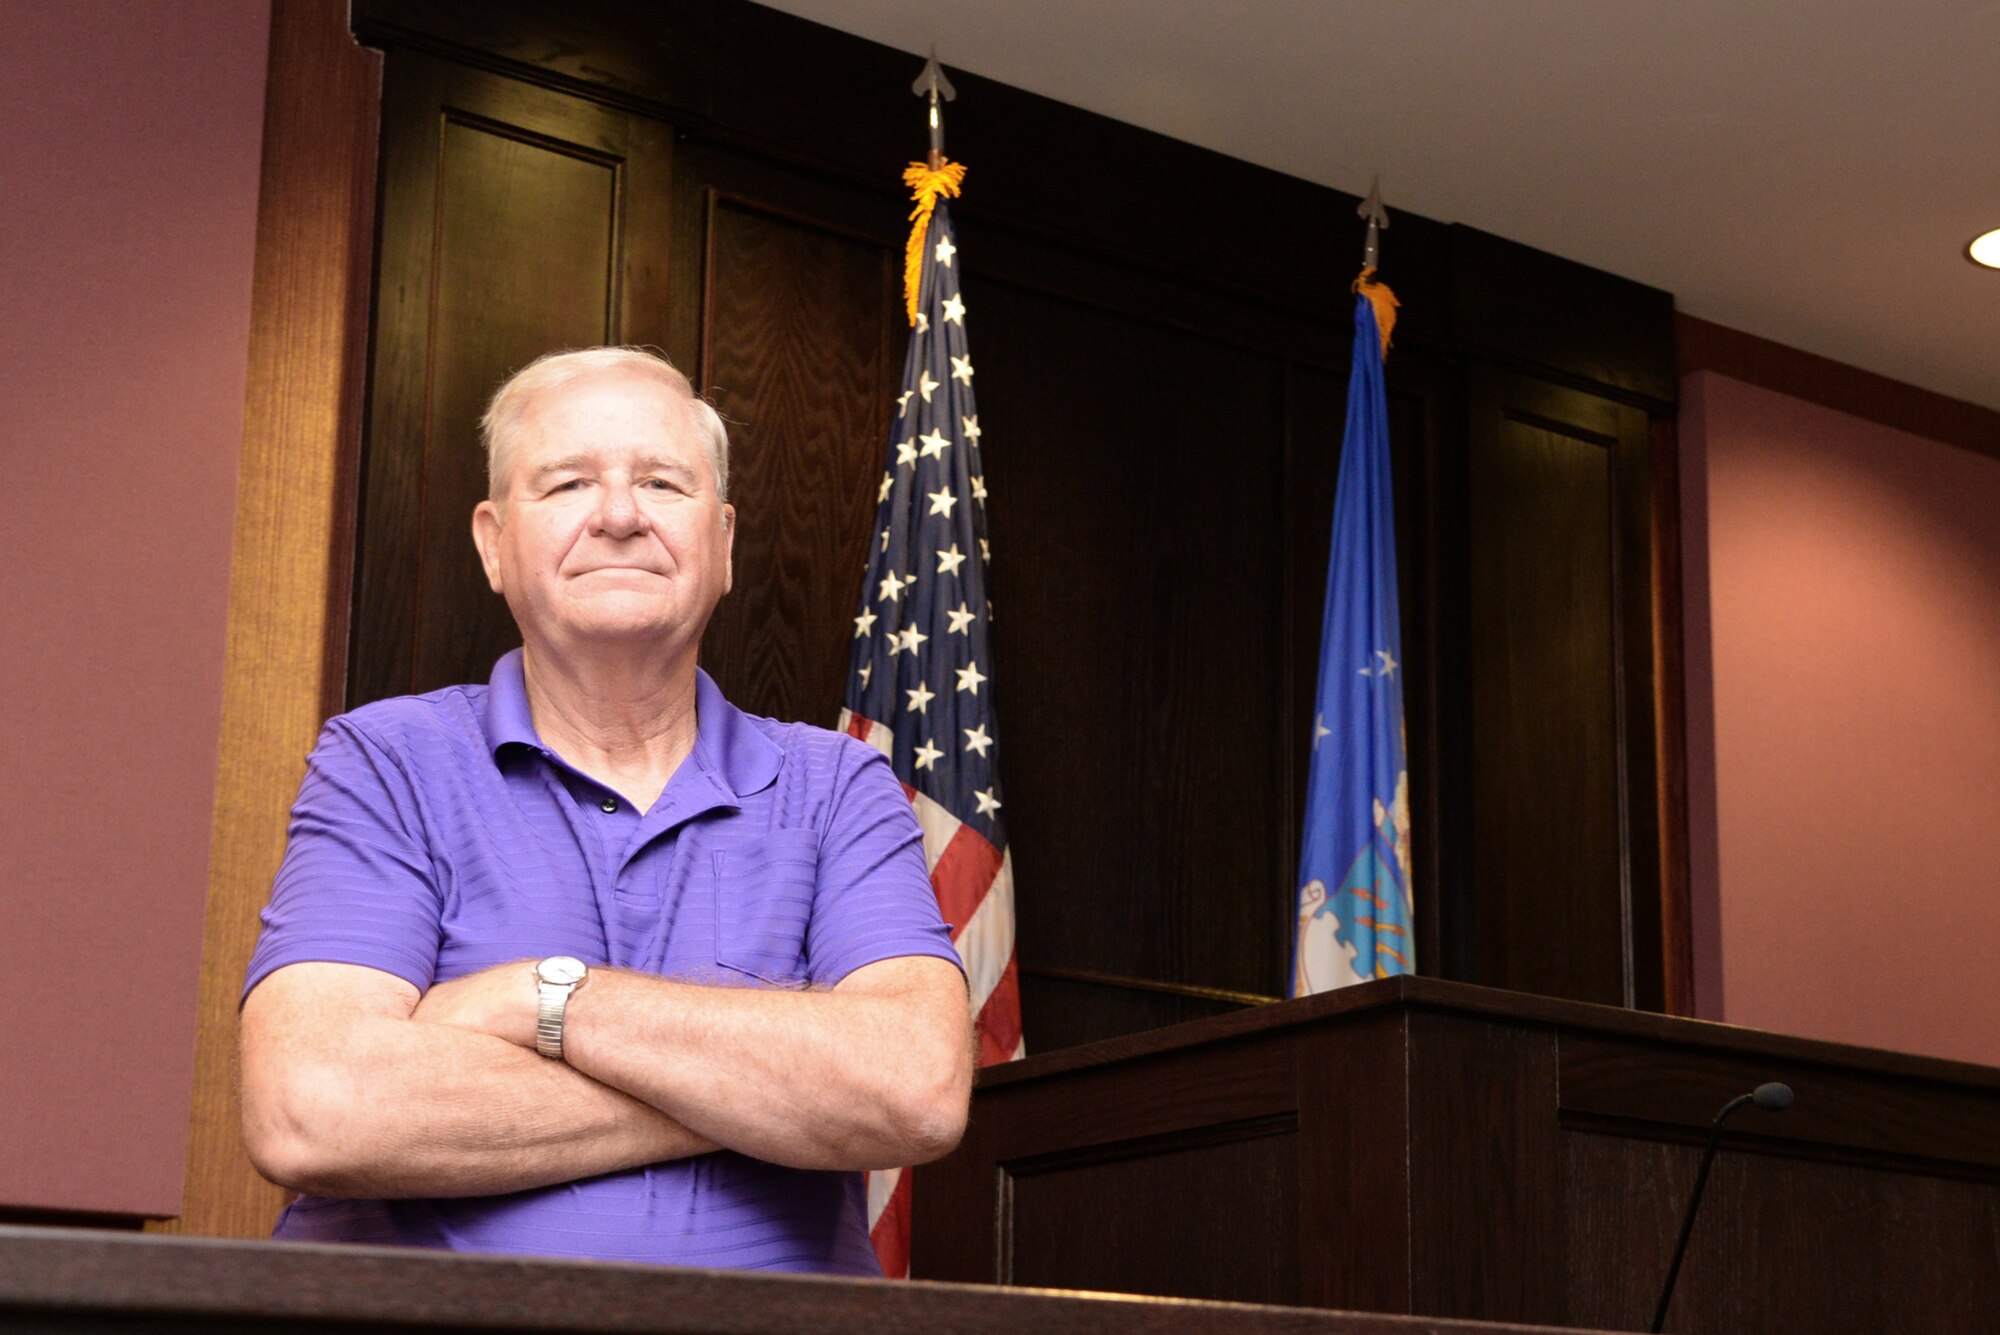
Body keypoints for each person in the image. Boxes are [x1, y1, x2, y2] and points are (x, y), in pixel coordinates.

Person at [239, 347, 972, 1274]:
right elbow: (312, 1107)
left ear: (726, 543)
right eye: (567, 483)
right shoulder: (385, 762)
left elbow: (915, 1087)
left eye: (664, 482)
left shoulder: (838, 785)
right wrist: (759, 1094)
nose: (620, 515)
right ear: (494, 543)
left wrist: (542, 995)